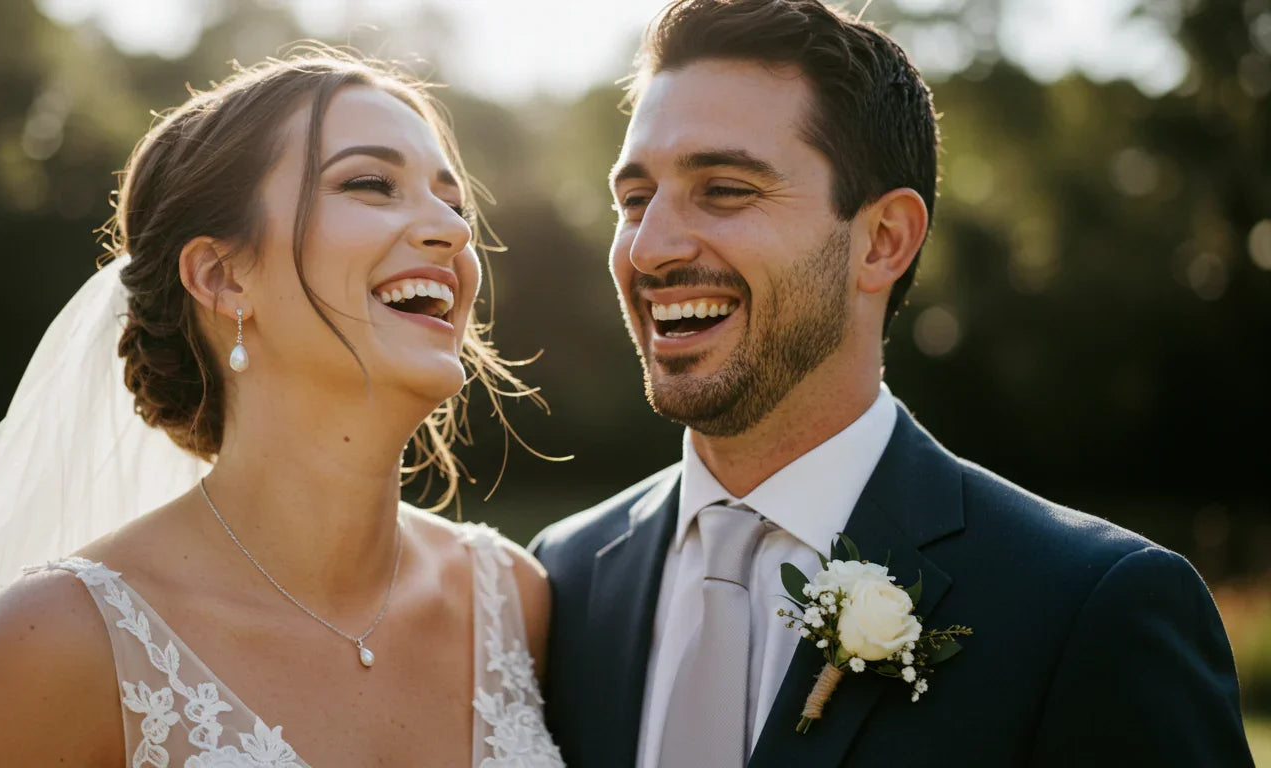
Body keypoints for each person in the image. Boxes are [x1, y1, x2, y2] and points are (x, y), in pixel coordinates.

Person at [529, 1, 1253, 766]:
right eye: (634, 200)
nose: (649, 248)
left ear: (882, 241)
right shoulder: (562, 579)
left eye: (725, 189)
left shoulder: (1090, 608)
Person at [0, 47, 563, 767]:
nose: (452, 231)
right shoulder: (64, 640)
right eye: (371, 184)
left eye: (451, 200)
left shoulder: (513, 601)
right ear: (222, 277)